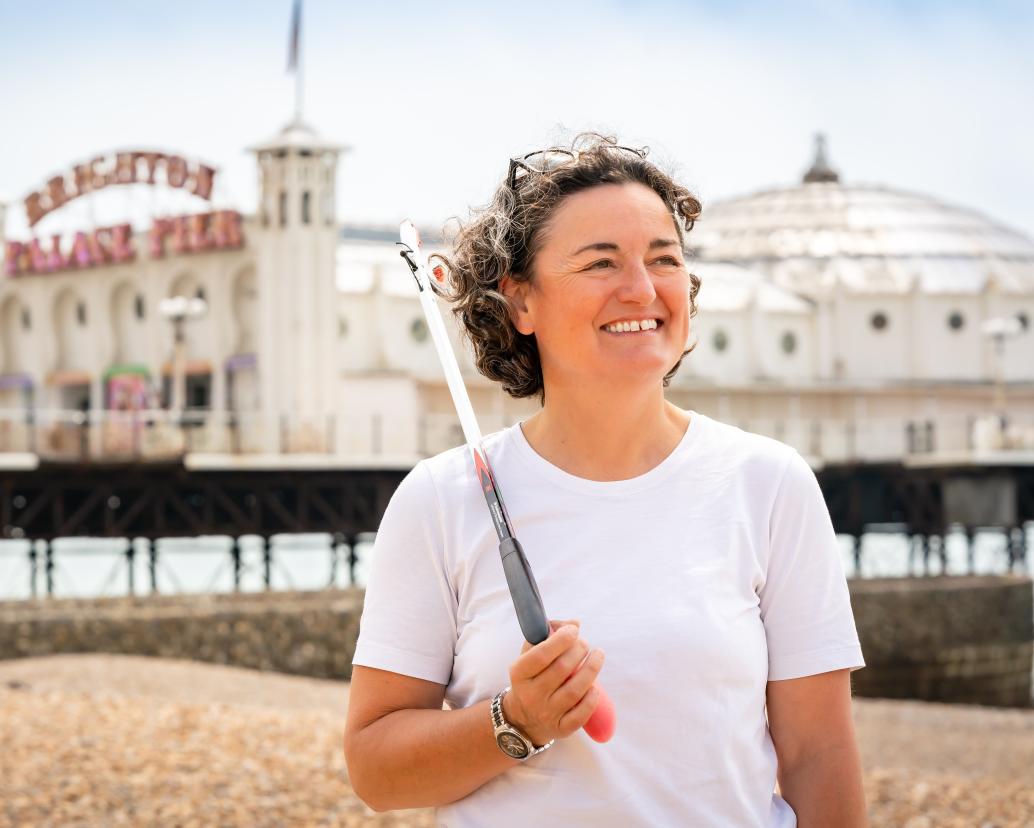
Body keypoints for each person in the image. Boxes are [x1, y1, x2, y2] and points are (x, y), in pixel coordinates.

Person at [343, 133, 867, 826]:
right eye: (601, 263)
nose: (642, 290)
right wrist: (516, 721)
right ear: (520, 302)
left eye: (664, 260)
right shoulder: (441, 500)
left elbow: (818, 754)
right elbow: (377, 770)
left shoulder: (768, 485)